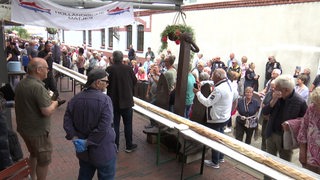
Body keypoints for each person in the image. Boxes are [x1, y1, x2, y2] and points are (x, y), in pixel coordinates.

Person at [14, 58, 64, 180]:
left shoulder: (22, 83)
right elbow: (46, 111)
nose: (48, 70)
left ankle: (32, 177)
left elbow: (31, 103)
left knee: (33, 154)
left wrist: (48, 102)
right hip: (38, 132)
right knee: (44, 160)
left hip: (25, 128)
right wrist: (55, 104)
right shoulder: (38, 87)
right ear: (38, 70)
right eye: (47, 68)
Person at [63, 69, 117, 179]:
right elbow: (104, 127)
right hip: (103, 151)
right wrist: (88, 142)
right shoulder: (105, 100)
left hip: (84, 153)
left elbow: (67, 121)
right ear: (97, 82)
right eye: (106, 81)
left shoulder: (75, 99)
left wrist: (75, 137)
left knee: (84, 175)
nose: (107, 84)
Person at [194, 68, 238, 169]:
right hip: (225, 117)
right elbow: (213, 82)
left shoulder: (218, 90)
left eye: (213, 75)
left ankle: (215, 162)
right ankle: (221, 157)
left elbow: (207, 102)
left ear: (218, 77)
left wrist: (197, 93)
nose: (211, 77)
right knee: (220, 138)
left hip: (216, 118)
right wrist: (203, 82)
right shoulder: (228, 83)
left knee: (214, 139)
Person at [262, 75, 307, 167]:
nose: (274, 90)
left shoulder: (300, 101)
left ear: (286, 90)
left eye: (277, 88)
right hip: (271, 134)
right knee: (268, 163)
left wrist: (291, 124)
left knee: (284, 166)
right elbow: (265, 112)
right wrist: (273, 100)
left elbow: (304, 121)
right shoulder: (274, 95)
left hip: (286, 139)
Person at [106, 50, 138, 153]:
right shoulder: (128, 69)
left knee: (115, 124)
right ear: (122, 58)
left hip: (114, 102)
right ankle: (129, 145)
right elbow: (135, 81)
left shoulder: (109, 69)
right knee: (128, 124)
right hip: (127, 101)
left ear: (113, 58)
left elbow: (105, 83)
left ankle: (116, 147)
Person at [296, 87, 320, 174]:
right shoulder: (311, 108)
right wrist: (302, 151)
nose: (316, 107)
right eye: (315, 103)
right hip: (310, 156)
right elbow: (303, 129)